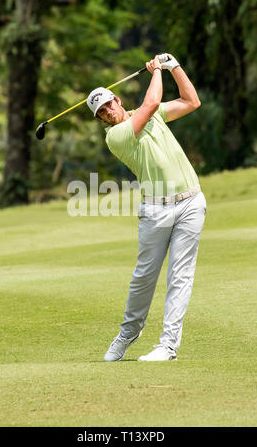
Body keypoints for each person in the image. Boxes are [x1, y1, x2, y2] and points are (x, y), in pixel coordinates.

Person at [86, 53, 206, 361]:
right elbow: (151, 103)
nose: (109, 112)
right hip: (156, 212)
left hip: (191, 202)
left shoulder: (151, 115)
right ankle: (129, 333)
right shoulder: (116, 136)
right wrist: (157, 70)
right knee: (144, 277)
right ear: (101, 120)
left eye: (110, 104)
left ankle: (168, 346)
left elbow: (192, 102)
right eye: (102, 112)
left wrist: (175, 65)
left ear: (118, 99)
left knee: (180, 276)